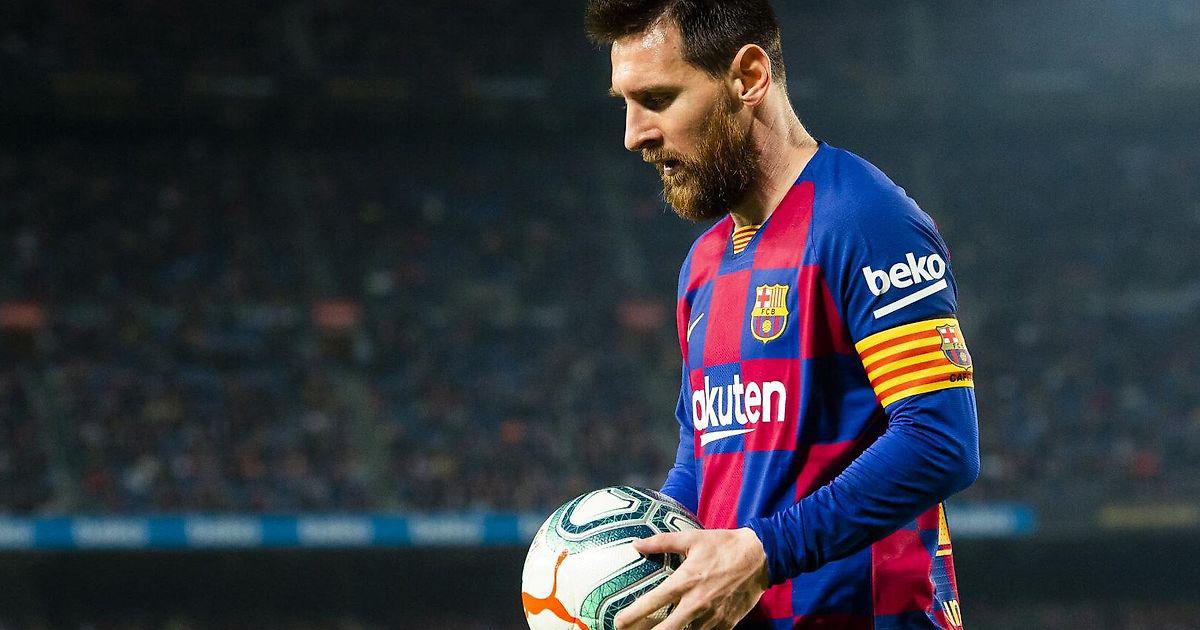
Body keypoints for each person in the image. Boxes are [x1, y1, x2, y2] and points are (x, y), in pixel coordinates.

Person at [585, 1, 980, 628]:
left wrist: (765, 552)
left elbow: (939, 441)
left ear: (748, 77)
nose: (634, 134)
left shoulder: (863, 219)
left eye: (657, 99)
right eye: (625, 104)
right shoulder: (703, 263)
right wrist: (637, 563)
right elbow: (702, 458)